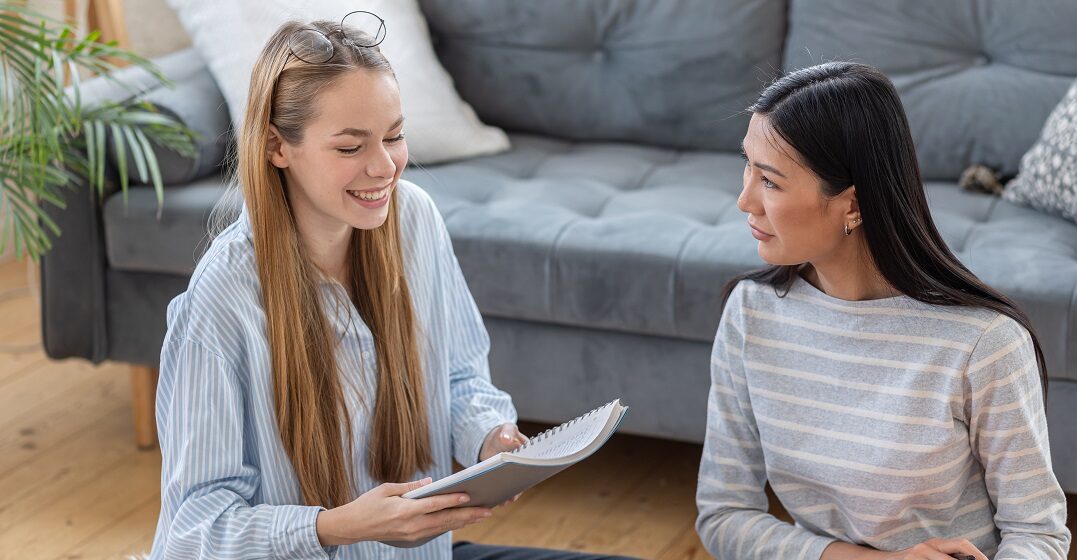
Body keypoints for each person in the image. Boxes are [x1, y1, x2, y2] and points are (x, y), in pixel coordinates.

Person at [149, 16, 632, 560]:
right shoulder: (222, 300)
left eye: (395, 136)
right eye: (350, 148)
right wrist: (335, 527)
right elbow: (195, 533)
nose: (384, 167)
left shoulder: (415, 220)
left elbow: (458, 374)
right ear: (276, 147)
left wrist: (489, 436)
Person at [695, 62, 1071, 559]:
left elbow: (1037, 534)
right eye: (748, 165)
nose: (744, 200)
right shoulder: (751, 314)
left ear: (851, 204)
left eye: (770, 182)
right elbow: (724, 515)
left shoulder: (983, 344)